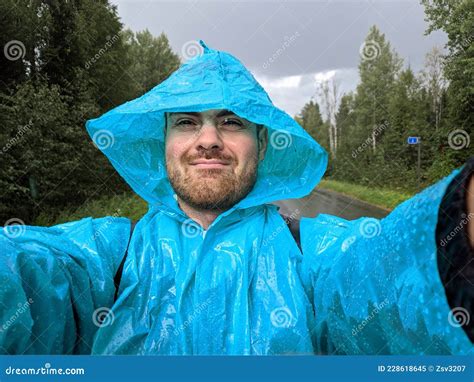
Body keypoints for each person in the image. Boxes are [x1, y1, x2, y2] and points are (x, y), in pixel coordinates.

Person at [0, 40, 472, 355]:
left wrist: (460, 224)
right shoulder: (107, 256)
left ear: (262, 145)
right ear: (163, 144)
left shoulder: (312, 255)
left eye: (231, 121)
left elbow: (381, 277)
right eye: (186, 122)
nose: (207, 140)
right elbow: (30, 276)